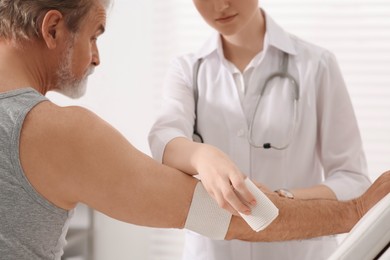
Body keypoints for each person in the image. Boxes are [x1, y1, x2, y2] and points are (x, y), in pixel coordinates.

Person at [0, 0, 389, 259]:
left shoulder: (318, 64)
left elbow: (347, 172)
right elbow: (230, 215)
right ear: (52, 29)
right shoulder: (53, 131)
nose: (98, 57)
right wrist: (354, 212)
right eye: (94, 34)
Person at [148, 0, 372, 259]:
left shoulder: (317, 65)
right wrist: (202, 156)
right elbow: (164, 138)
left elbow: (353, 179)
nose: (220, 5)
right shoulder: (186, 70)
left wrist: (283, 200)